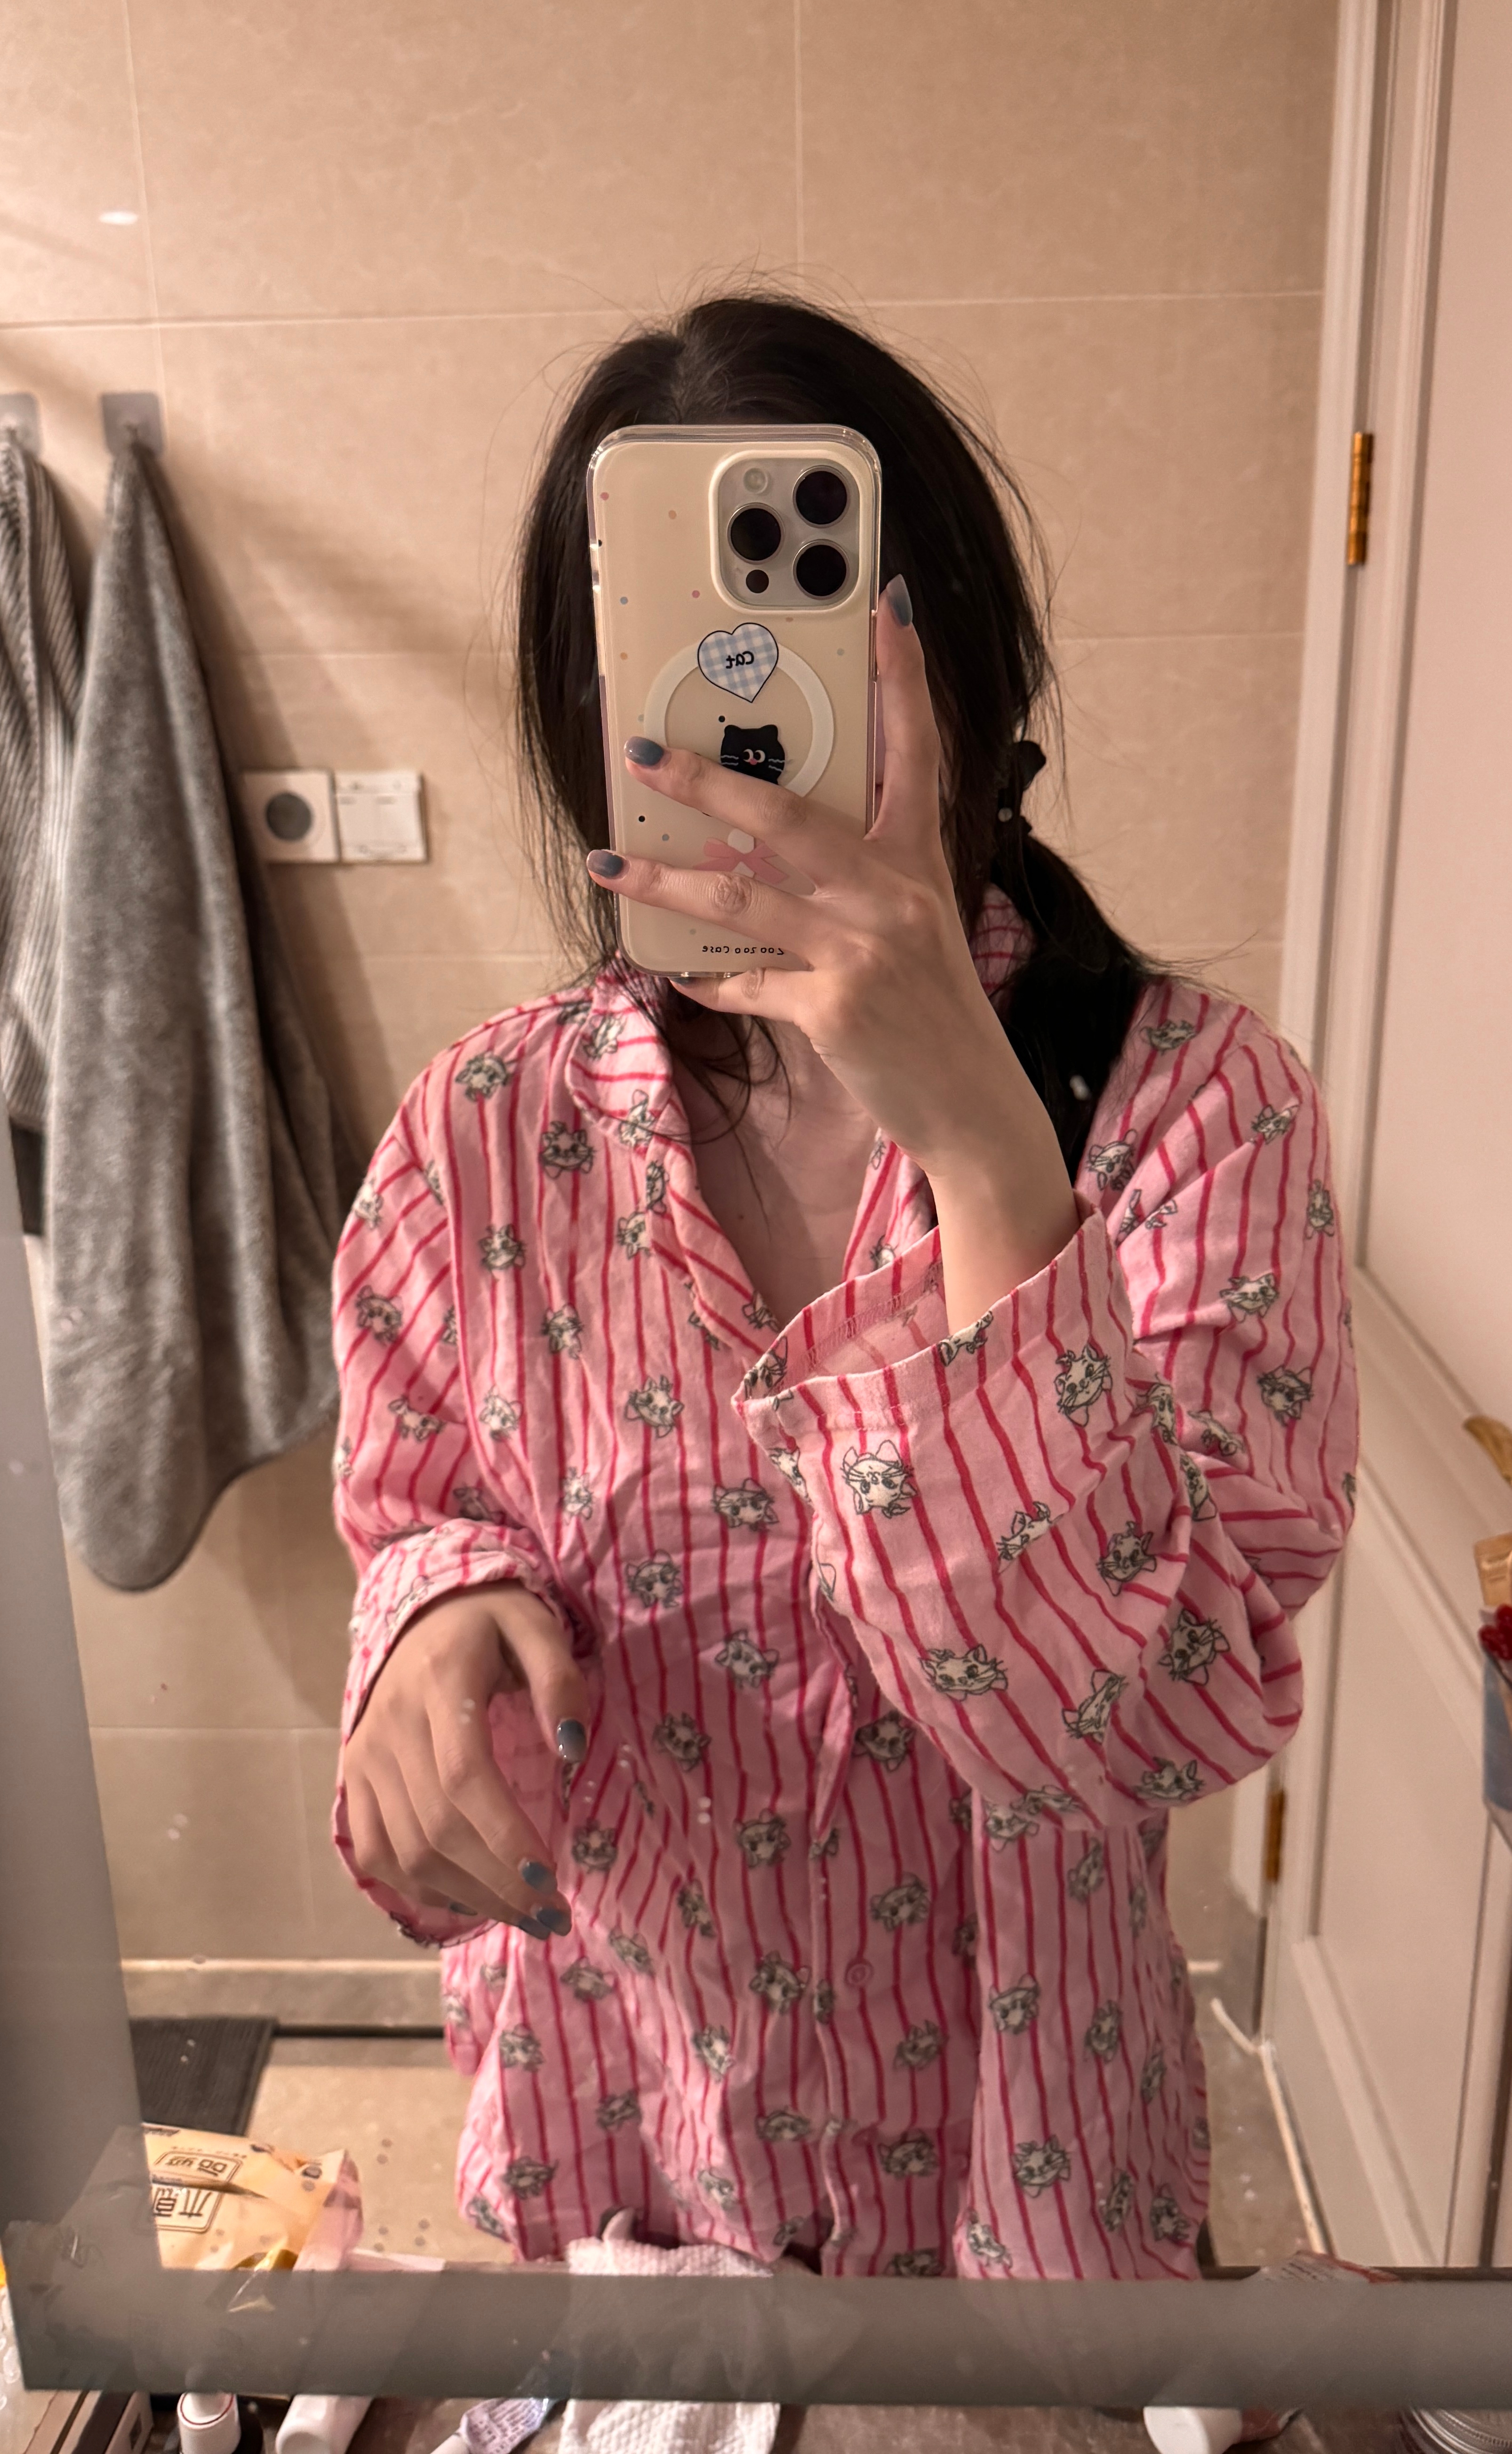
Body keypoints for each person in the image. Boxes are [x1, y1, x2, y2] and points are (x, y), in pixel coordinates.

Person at [331, 294, 1356, 2281]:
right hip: (634, 2131)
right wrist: (434, 1616)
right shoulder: (485, 1130)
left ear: (972, 678)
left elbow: (1147, 1721)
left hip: (1025, 2185)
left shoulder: (1194, 1113)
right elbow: (420, 1507)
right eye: (669, 661)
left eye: (815, 653)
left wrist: (982, 1146)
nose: (748, 733)